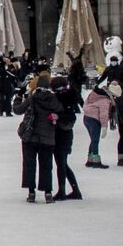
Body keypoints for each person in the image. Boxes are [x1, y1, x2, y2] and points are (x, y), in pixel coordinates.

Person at [17, 69, 58, 202]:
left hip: (31, 136)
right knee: (46, 165)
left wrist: (17, 99)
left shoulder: (32, 98)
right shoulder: (54, 100)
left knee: (29, 164)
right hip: (47, 138)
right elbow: (61, 113)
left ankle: (31, 192)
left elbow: (18, 110)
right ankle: (47, 193)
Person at [52, 72, 84, 201]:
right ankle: (75, 190)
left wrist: (57, 117)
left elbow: (66, 117)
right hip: (66, 134)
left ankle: (62, 191)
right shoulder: (70, 98)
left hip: (60, 134)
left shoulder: (60, 100)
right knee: (63, 163)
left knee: (61, 163)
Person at [82, 80, 113, 168]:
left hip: (86, 118)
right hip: (94, 120)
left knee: (93, 139)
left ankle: (90, 159)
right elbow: (104, 114)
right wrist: (104, 126)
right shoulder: (104, 100)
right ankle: (96, 161)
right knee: (95, 140)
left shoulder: (93, 95)